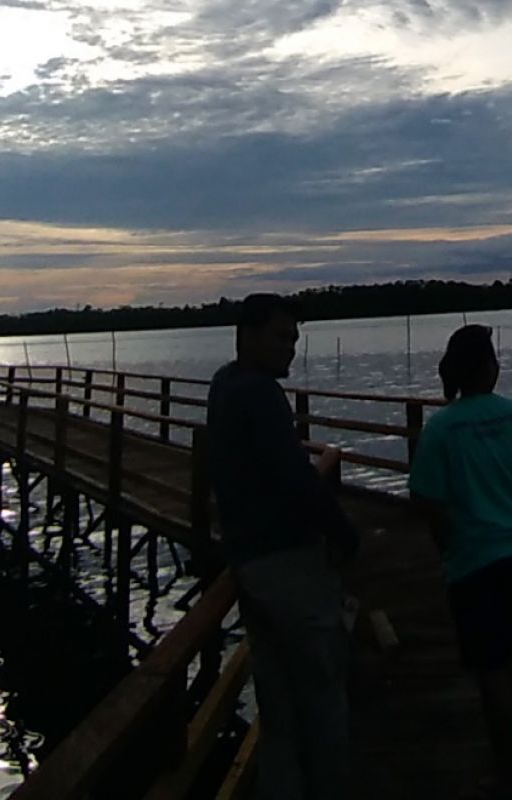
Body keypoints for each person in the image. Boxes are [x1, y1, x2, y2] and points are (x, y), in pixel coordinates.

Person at [207, 293, 360, 800]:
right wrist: (344, 534)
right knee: (321, 696)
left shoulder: (224, 384)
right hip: (287, 565)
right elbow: (299, 480)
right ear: (246, 333)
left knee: (277, 706)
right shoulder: (258, 393)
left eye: (294, 338)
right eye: (280, 337)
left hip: (249, 561)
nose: (290, 349)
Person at [407, 325, 512, 800]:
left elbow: (429, 499)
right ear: (489, 366)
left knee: (490, 668)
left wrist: (448, 547)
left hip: (475, 559)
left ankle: (508, 772)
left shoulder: (441, 428)